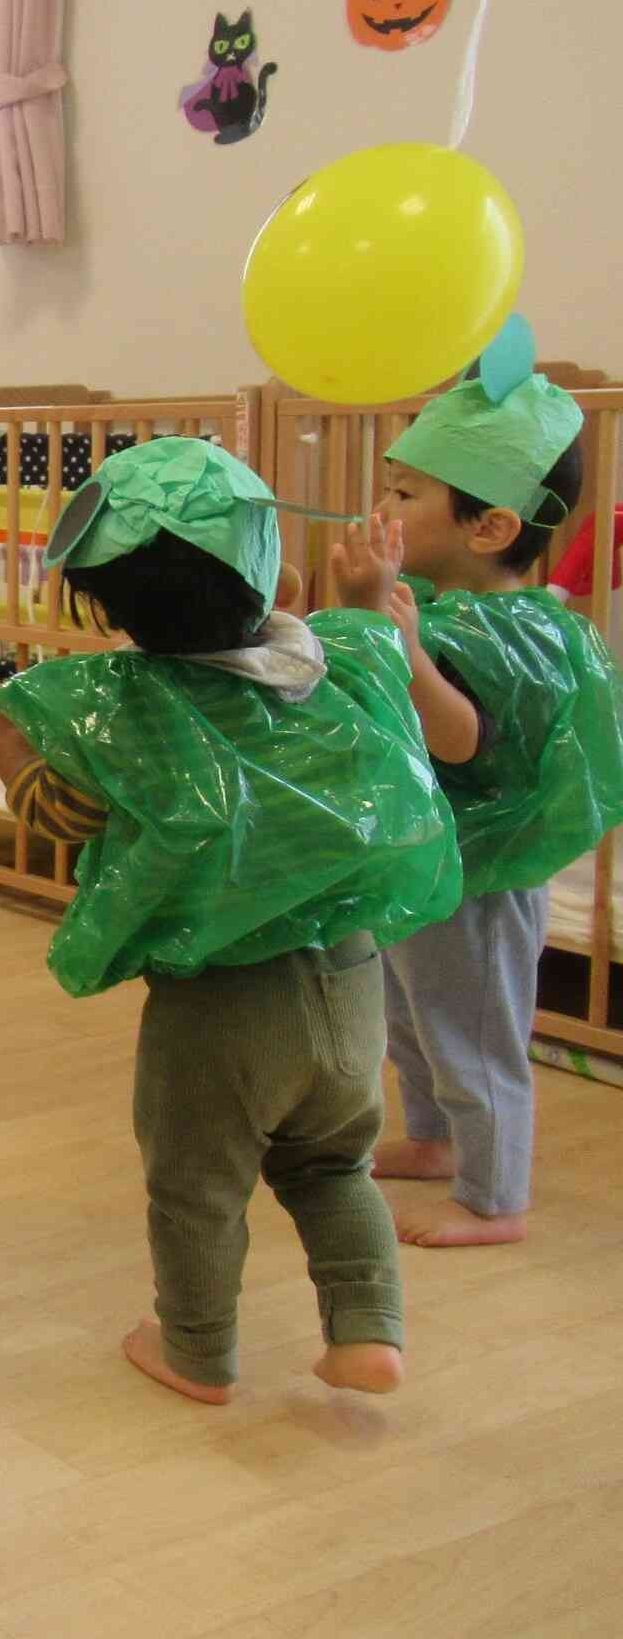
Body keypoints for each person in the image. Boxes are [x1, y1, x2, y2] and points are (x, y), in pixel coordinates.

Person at [0, 439, 459, 1405]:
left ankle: (197, 1349)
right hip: (349, 984)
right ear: (271, 571)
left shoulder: (133, 712)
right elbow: (354, 656)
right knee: (334, 1167)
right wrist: (354, 590)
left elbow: (63, 817)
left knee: (198, 1189)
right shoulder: (332, 664)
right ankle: (367, 1331)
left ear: (107, 608)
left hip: (223, 1005)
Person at [344, 353, 623, 1249]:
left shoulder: (517, 630)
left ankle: (494, 1197)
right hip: (427, 858)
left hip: (482, 875)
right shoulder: (442, 606)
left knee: (473, 1029)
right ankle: (432, 1140)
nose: (383, 510)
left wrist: (406, 647)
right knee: (412, 1015)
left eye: (405, 495)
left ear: (492, 525)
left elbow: (460, 739)